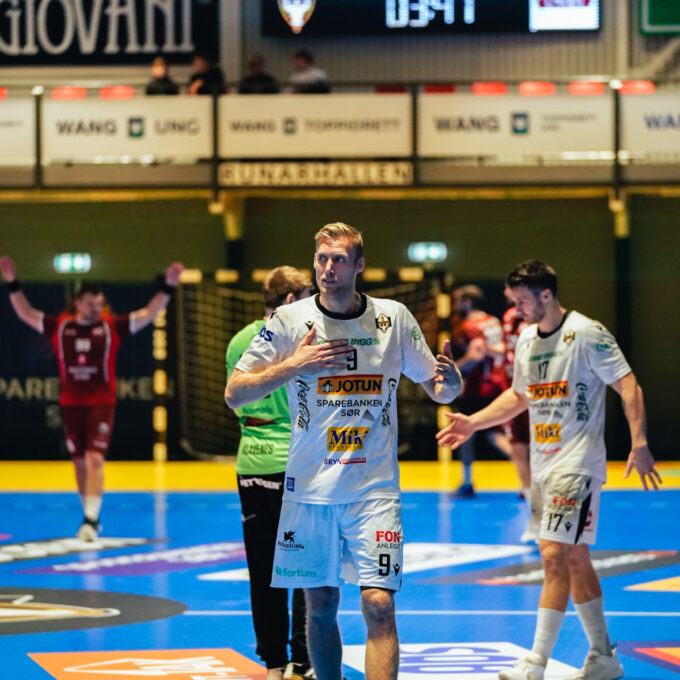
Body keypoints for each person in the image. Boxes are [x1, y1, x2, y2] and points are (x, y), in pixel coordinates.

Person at [225, 222, 462, 680]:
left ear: (359, 266)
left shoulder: (393, 319)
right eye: (321, 259)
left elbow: (439, 389)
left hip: (373, 489)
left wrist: (452, 383)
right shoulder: (288, 322)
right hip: (310, 490)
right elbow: (235, 393)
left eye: (338, 260)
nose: (328, 268)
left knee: (379, 604)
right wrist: (294, 364)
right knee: (320, 606)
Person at [437, 260, 661, 680]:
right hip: (543, 465)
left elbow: (629, 385)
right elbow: (518, 397)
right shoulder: (526, 339)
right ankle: (603, 657)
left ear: (546, 295)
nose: (516, 309)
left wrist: (640, 443)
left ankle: (534, 663)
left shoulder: (587, 333)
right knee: (575, 558)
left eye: (522, 301)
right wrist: (474, 423)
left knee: (553, 556)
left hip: (577, 464)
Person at [0, 257, 184, 541]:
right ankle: (89, 515)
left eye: (99, 303)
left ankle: (91, 518)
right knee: (79, 463)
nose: (95, 308)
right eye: (90, 304)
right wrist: (12, 283)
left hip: (101, 403)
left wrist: (168, 287)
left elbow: (149, 313)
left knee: (95, 458)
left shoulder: (111, 327)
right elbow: (26, 313)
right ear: (78, 304)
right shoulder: (61, 327)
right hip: (70, 404)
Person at [226, 266, 314, 680]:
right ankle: (305, 660)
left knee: (263, 571)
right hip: (294, 462)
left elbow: (236, 399)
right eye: (309, 296)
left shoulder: (239, 341)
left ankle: (273, 664)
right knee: (307, 566)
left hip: (250, 462)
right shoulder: (301, 340)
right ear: (291, 300)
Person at [450, 285, 513, 498]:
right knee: (495, 434)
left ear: (468, 302)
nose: (455, 306)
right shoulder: (493, 321)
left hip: (478, 388)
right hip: (498, 384)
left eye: (458, 301)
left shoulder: (470, 326)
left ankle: (467, 483)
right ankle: (528, 475)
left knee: (464, 432)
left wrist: (452, 370)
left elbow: (476, 356)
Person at [502, 290, 534, 543]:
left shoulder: (536, 318)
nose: (506, 292)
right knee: (518, 449)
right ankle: (534, 513)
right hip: (513, 389)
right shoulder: (508, 317)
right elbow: (505, 351)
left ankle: (543, 511)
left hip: (537, 393)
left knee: (539, 451)